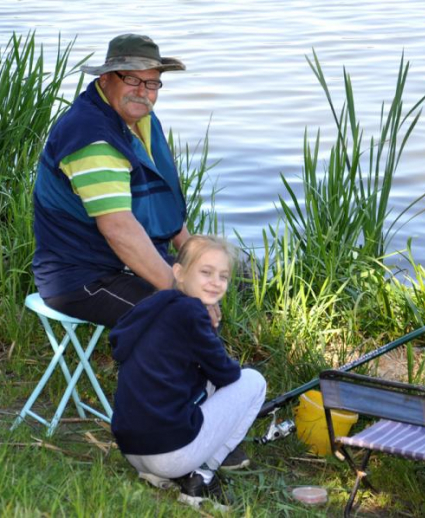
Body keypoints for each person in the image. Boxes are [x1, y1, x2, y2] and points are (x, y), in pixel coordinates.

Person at [32, 34, 221, 328]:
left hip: (118, 262)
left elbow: (159, 201)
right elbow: (118, 230)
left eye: (151, 83)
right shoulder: (92, 137)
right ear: (106, 79)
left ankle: (209, 368)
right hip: (81, 276)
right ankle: (197, 372)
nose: (142, 92)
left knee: (213, 279)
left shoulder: (137, 120)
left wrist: (196, 258)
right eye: (131, 79)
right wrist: (178, 288)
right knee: (183, 313)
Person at [109, 235, 267, 508]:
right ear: (179, 273)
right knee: (254, 382)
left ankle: (175, 468)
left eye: (223, 276)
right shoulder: (193, 314)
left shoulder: (154, 305)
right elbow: (227, 375)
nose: (216, 282)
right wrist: (214, 337)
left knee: (199, 379)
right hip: (168, 455)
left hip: (132, 448)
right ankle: (201, 476)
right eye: (206, 272)